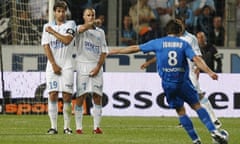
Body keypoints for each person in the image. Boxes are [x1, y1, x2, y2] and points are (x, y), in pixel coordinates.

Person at [109, 19, 228, 144]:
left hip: (168, 84)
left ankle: (196, 140)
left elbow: (135, 48)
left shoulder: (158, 43)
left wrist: (114, 51)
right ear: (179, 31)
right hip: (183, 82)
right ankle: (213, 130)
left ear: (167, 31)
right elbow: (197, 59)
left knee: (181, 111)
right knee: (197, 106)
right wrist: (209, 72)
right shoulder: (183, 44)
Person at [140, 19, 222, 129]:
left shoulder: (191, 38)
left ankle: (214, 120)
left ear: (184, 25)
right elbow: (164, 53)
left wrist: (198, 67)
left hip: (189, 71)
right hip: (177, 70)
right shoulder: (174, 38)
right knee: (179, 95)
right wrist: (149, 62)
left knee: (198, 94)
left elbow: (197, 54)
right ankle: (183, 120)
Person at [41, 0, 76, 134]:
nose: (61, 14)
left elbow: (67, 41)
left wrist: (53, 32)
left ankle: (67, 127)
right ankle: (53, 127)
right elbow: (46, 46)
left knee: (67, 95)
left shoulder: (71, 24)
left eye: (63, 11)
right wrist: (54, 64)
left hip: (67, 64)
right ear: (54, 12)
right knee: (53, 94)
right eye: (58, 11)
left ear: (66, 12)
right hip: (52, 65)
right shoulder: (47, 26)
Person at [74, 7, 108, 134]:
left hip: (96, 67)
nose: (91, 17)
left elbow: (104, 51)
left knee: (97, 97)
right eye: (88, 15)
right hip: (82, 66)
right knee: (80, 97)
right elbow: (83, 28)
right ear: (84, 17)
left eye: (93, 15)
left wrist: (98, 67)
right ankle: (78, 128)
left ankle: (96, 127)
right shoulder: (79, 29)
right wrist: (93, 23)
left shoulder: (100, 32)